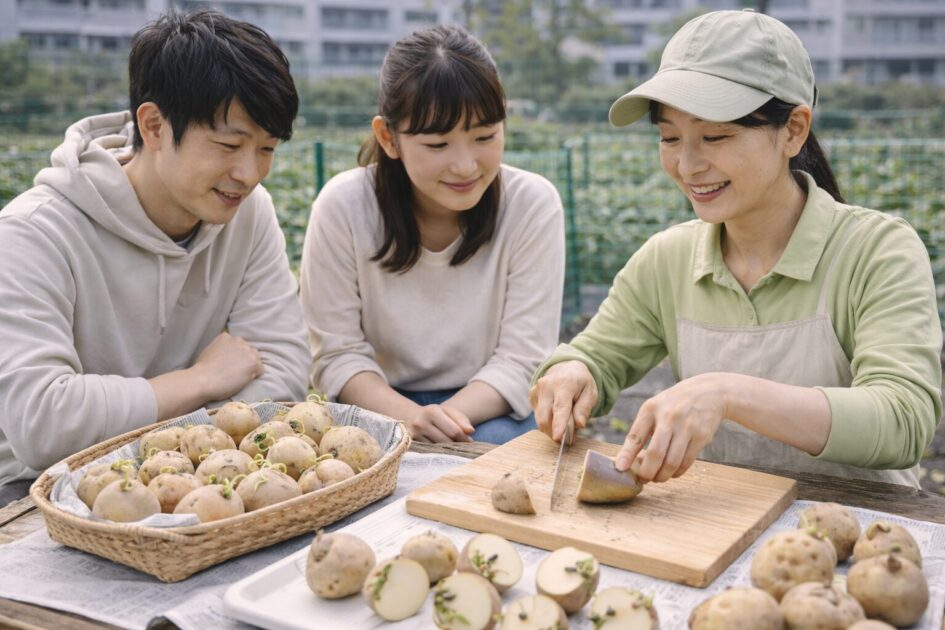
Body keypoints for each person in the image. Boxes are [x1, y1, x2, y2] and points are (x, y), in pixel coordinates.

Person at [529, 9, 942, 487]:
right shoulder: (668, 259)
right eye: (669, 137)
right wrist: (571, 373)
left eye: (715, 136)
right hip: (716, 533)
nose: (687, 165)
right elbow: (596, 357)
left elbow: (903, 420)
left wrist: (728, 393)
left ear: (793, 130)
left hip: (860, 541)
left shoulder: (876, 252)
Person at [0, 10, 310, 503]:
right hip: (34, 490)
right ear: (154, 126)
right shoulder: (34, 233)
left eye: (267, 148)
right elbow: (44, 423)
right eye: (229, 145)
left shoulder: (249, 213)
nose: (249, 174)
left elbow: (284, 367)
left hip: (202, 479)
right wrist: (201, 381)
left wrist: (176, 456)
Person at [301, 25, 565, 445]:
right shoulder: (343, 206)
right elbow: (338, 355)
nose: (465, 165)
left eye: (484, 137)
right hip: (379, 404)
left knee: (497, 448)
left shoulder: (531, 204)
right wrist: (408, 417)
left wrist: (443, 419)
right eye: (438, 145)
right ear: (389, 137)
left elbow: (523, 358)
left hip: (489, 405)